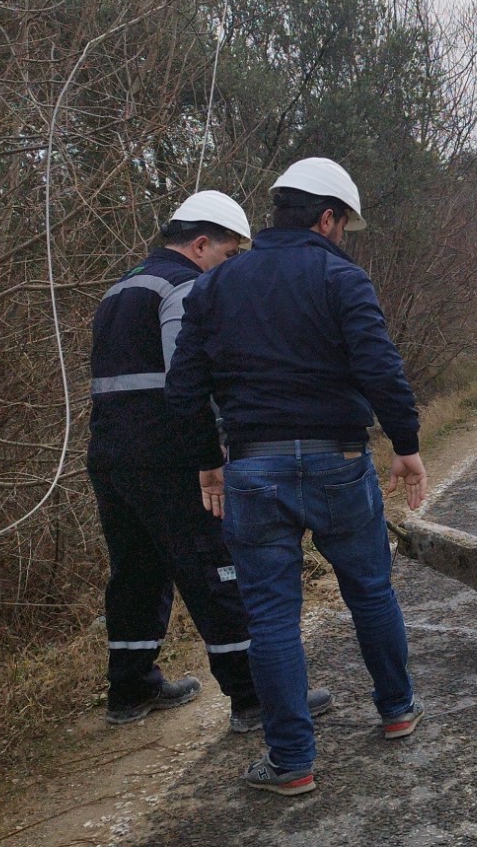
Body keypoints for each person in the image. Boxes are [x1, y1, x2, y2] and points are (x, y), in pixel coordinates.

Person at [167, 158, 428, 797]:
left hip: (252, 468)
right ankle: (396, 710)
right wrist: (407, 444)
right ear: (327, 217)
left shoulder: (217, 286)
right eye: (343, 226)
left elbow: (185, 391)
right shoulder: (344, 279)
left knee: (272, 617)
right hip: (339, 461)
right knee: (369, 589)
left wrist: (209, 463)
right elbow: (379, 366)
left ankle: (292, 762)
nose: (342, 237)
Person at [88, 191, 331, 732]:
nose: (229, 269)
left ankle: (130, 689)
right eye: (226, 256)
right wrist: (214, 451)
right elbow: (191, 380)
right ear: (201, 245)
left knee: (136, 570)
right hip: (170, 457)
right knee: (216, 569)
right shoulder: (183, 287)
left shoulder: (121, 287)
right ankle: (254, 697)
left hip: (109, 456)